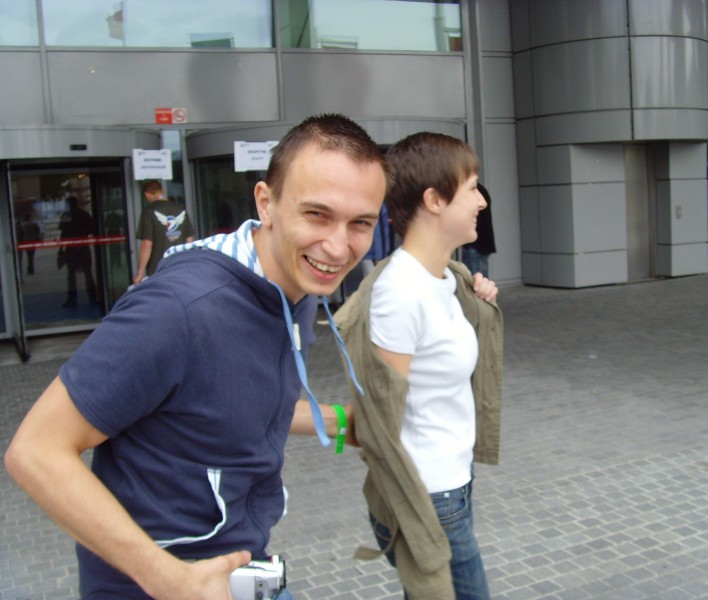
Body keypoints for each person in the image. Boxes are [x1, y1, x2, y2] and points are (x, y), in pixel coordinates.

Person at [4, 113, 389, 599]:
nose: (337, 247)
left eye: (360, 223)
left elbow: (220, 402)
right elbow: (35, 451)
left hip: (242, 570)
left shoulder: (298, 286)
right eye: (317, 214)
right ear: (266, 202)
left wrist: (340, 421)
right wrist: (169, 579)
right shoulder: (178, 310)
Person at [334, 132, 503, 599]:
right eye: (472, 187)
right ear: (434, 199)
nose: (482, 201)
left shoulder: (446, 278)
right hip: (427, 496)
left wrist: (479, 305)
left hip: (453, 484)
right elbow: (379, 417)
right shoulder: (401, 292)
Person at [133, 179, 195, 285]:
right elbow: (189, 240)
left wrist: (140, 272)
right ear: (161, 191)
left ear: (147, 194)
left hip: (158, 269)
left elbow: (147, 244)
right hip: (180, 266)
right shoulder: (181, 210)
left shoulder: (148, 211)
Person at [58, 196, 98, 308]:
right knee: (87, 273)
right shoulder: (83, 214)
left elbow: (63, 234)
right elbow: (91, 229)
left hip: (72, 247)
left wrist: (61, 248)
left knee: (72, 275)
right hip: (82, 247)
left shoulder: (66, 215)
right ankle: (92, 296)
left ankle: (72, 298)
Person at [459, 183, 496, 277]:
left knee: (473, 278)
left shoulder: (474, 192)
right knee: (482, 276)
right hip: (485, 241)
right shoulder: (481, 191)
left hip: (475, 243)